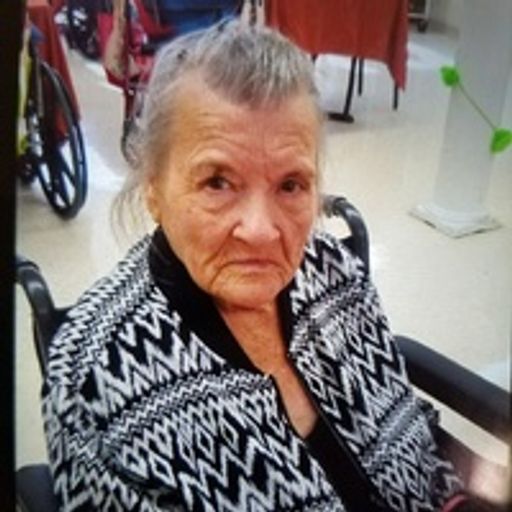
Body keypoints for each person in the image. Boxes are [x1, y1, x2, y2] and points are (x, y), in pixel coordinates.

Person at [42, 19, 493, 511]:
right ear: (153, 188)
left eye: (291, 185)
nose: (260, 231)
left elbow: (408, 430)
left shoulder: (331, 268)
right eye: (217, 182)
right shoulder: (96, 382)